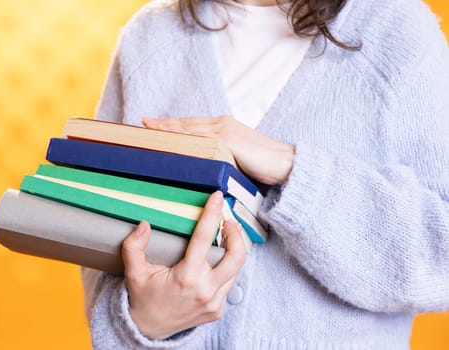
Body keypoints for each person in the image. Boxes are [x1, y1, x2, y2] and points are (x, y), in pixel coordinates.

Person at [81, 0, 449, 348]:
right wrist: (144, 323)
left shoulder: (396, 30)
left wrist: (291, 169)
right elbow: (97, 240)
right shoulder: (150, 37)